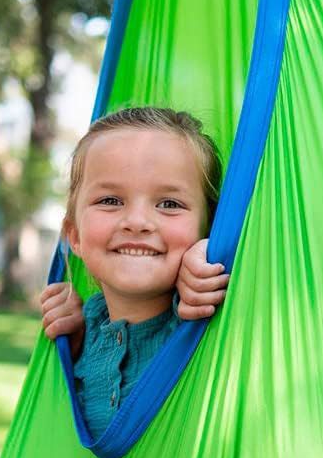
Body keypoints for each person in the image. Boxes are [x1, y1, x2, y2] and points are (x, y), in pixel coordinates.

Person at [39, 107, 230, 438]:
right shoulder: (83, 330)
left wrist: (213, 253)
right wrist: (71, 348)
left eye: (169, 204)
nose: (137, 222)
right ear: (75, 237)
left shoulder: (213, 316)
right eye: (111, 200)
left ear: (208, 227)